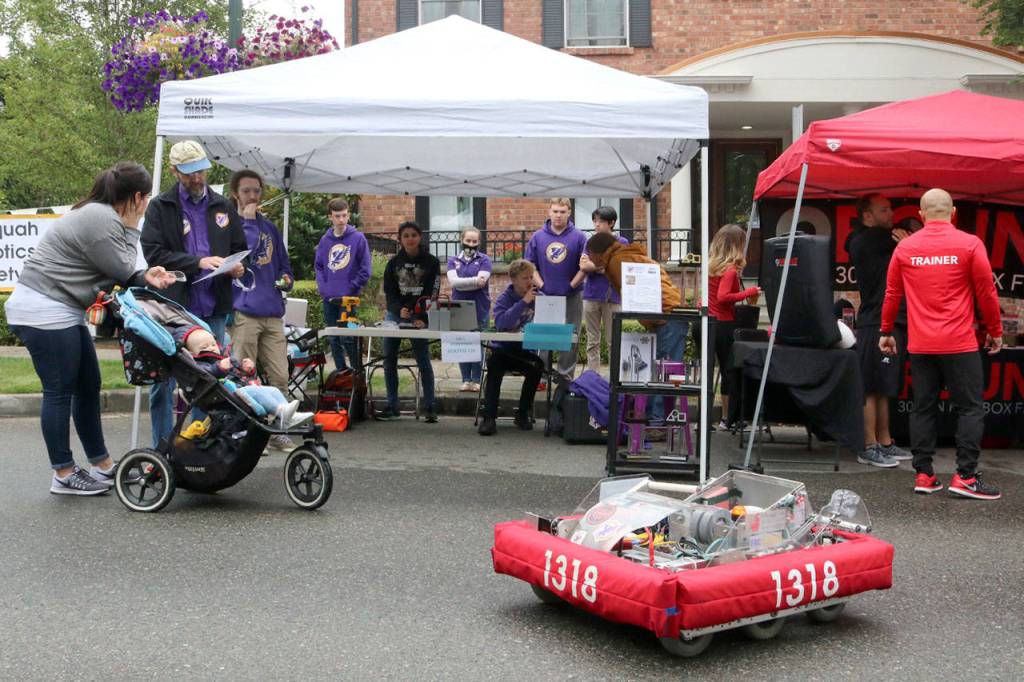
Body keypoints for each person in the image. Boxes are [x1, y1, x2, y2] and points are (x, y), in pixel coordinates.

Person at [4, 162, 177, 495]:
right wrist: (133, 226)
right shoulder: (102, 219)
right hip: (44, 309)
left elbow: (124, 271)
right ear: (138, 197)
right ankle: (64, 474)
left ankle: (102, 466)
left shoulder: (100, 214)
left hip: (59, 308)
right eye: (145, 200)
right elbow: (123, 269)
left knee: (88, 385)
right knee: (59, 391)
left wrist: (146, 274)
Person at [879, 188, 1003, 500]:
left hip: (921, 345)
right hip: (959, 343)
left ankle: (924, 474)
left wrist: (885, 331)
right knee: (970, 408)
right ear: (953, 212)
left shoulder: (906, 248)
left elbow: (892, 294)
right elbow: (986, 292)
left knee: (923, 408)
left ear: (921, 215)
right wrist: (995, 330)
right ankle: (965, 477)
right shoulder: (969, 243)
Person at [141, 140, 248, 448]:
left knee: (207, 381)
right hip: (174, 308)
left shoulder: (222, 205)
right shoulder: (161, 207)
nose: (197, 178)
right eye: (190, 174)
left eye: (201, 171)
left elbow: (240, 248)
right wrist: (197, 262)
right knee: (163, 382)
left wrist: (239, 266)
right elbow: (154, 254)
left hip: (213, 307)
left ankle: (199, 446)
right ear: (174, 172)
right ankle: (162, 448)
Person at [585, 231, 685, 426]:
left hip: (666, 316)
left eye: (590, 253)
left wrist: (651, 320)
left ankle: (656, 421)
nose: (588, 258)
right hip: (668, 313)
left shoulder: (617, 262)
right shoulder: (624, 255)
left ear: (599, 252)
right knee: (661, 370)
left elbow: (638, 293)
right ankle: (653, 418)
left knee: (662, 371)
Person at [228, 169, 296, 452]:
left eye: (256, 190)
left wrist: (287, 281)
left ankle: (277, 431)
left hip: (272, 311)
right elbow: (244, 252)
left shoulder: (270, 228)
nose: (252, 196)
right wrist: (247, 221)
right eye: (246, 191)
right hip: (244, 311)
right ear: (235, 194)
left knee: (280, 376)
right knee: (243, 377)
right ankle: (245, 432)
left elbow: (284, 266)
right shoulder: (231, 227)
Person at [846, 193, 914, 468]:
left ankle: (885, 441)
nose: (891, 215)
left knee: (883, 386)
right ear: (868, 216)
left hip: (892, 320)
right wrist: (910, 242)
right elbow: (917, 240)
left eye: (891, 209)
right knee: (870, 386)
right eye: (884, 210)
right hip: (876, 322)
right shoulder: (869, 238)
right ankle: (868, 445)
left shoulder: (886, 241)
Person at [176, 326, 311, 428]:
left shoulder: (224, 357)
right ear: (193, 352)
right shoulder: (199, 364)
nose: (211, 348)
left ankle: (286, 414)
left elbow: (240, 375)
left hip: (237, 389)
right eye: (204, 346)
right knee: (255, 391)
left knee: (272, 390)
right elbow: (205, 374)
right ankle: (281, 412)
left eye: (213, 345)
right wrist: (219, 367)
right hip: (223, 396)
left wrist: (249, 370)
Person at [379, 221, 440, 422]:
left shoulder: (431, 262)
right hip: (396, 315)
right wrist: (399, 309)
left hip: (420, 316)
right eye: (406, 235)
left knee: (423, 360)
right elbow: (390, 292)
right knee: (389, 360)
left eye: (414, 235)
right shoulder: (393, 263)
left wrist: (421, 317)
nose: (410, 239)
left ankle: (430, 406)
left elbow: (433, 291)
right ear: (400, 239)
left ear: (419, 237)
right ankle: (392, 404)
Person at [478, 259, 545, 436]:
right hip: (503, 348)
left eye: (531, 277)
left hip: (523, 350)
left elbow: (549, 320)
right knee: (494, 366)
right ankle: (489, 418)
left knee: (537, 366)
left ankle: (522, 413)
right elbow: (501, 324)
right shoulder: (504, 299)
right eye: (525, 278)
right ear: (513, 280)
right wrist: (524, 302)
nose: (530, 281)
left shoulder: (540, 298)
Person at [524, 197, 588, 378]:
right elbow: (530, 265)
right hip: (545, 296)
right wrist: (542, 285)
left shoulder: (579, 237)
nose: (558, 215)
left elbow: (585, 266)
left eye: (562, 212)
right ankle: (542, 375)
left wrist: (571, 285)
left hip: (573, 295)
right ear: (549, 212)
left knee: (571, 337)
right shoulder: (538, 237)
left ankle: (564, 376)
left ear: (569, 213)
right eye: (555, 211)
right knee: (544, 336)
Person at [707, 224, 761, 431]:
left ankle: (706, 420)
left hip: (708, 322)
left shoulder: (711, 266)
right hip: (723, 323)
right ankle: (728, 419)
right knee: (730, 372)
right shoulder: (729, 270)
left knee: (708, 373)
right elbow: (723, 298)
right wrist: (751, 292)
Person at [315, 197, 371, 371]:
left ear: (349, 216)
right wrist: (324, 290)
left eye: (344, 215)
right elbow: (319, 266)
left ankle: (357, 373)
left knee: (348, 336)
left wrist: (351, 288)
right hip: (329, 298)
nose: (341, 220)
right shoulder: (325, 240)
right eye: (337, 216)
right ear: (330, 217)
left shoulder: (358, 238)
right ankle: (342, 373)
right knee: (333, 337)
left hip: (348, 299)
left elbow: (365, 269)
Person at [573, 206, 628, 374]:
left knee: (613, 341)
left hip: (614, 297)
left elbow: (620, 267)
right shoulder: (591, 242)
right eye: (595, 221)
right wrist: (604, 266)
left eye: (600, 221)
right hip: (591, 295)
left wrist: (595, 266)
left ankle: (614, 379)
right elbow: (583, 266)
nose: (596, 225)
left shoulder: (622, 242)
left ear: (611, 223)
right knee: (592, 341)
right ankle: (592, 376)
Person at [446, 226, 492, 392]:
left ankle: (476, 380)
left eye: (474, 241)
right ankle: (466, 380)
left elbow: (483, 281)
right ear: (462, 241)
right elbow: (454, 283)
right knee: (463, 343)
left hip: (480, 307)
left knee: (478, 344)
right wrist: (474, 281)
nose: (471, 244)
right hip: (459, 307)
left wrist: (463, 282)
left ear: (479, 242)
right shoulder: (452, 260)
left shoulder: (485, 260)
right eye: (468, 241)